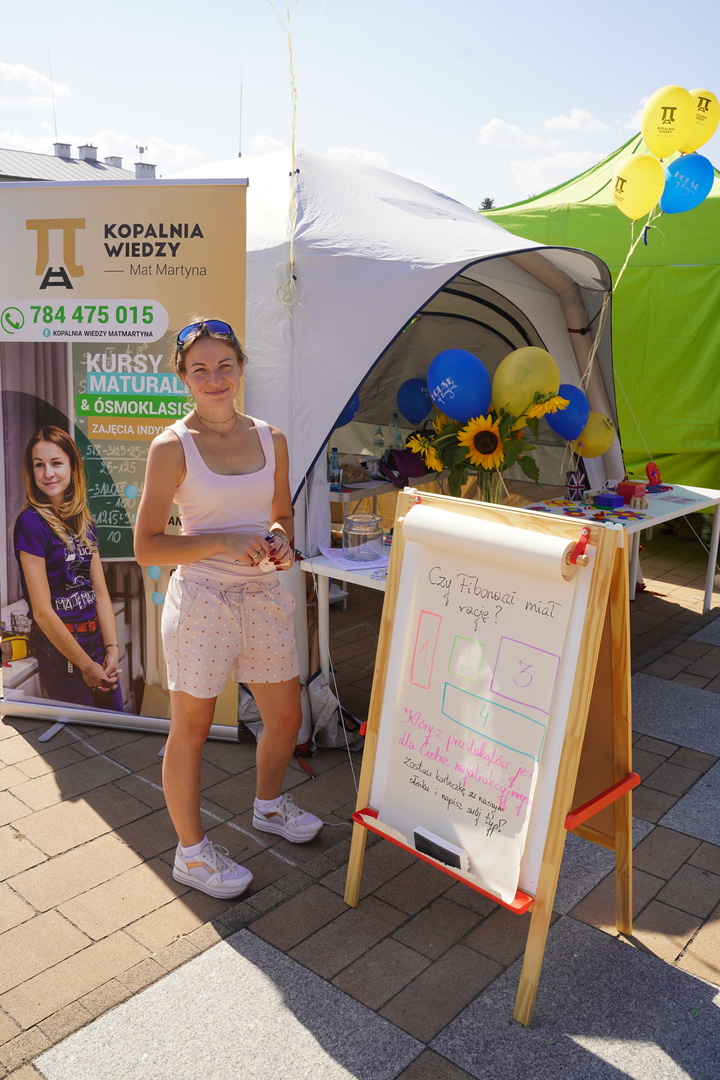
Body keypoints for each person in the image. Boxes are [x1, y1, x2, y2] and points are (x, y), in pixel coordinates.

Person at [134, 318, 322, 900]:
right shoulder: (172, 447)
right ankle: (191, 857)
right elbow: (147, 548)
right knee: (190, 732)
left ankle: (268, 806)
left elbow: (282, 515)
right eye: (200, 370)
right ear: (184, 379)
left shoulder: (272, 438)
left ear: (241, 368)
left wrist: (279, 540)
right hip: (202, 602)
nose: (214, 378)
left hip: (262, 594)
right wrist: (221, 541)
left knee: (285, 720)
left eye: (224, 366)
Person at [13, 426, 123, 711]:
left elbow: (100, 593)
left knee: (118, 725)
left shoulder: (84, 520)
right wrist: (86, 666)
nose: (48, 473)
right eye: (39, 464)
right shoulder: (30, 524)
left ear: (72, 468)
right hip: (60, 648)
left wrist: (112, 648)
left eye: (56, 463)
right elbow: (42, 612)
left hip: (95, 641)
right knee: (83, 734)